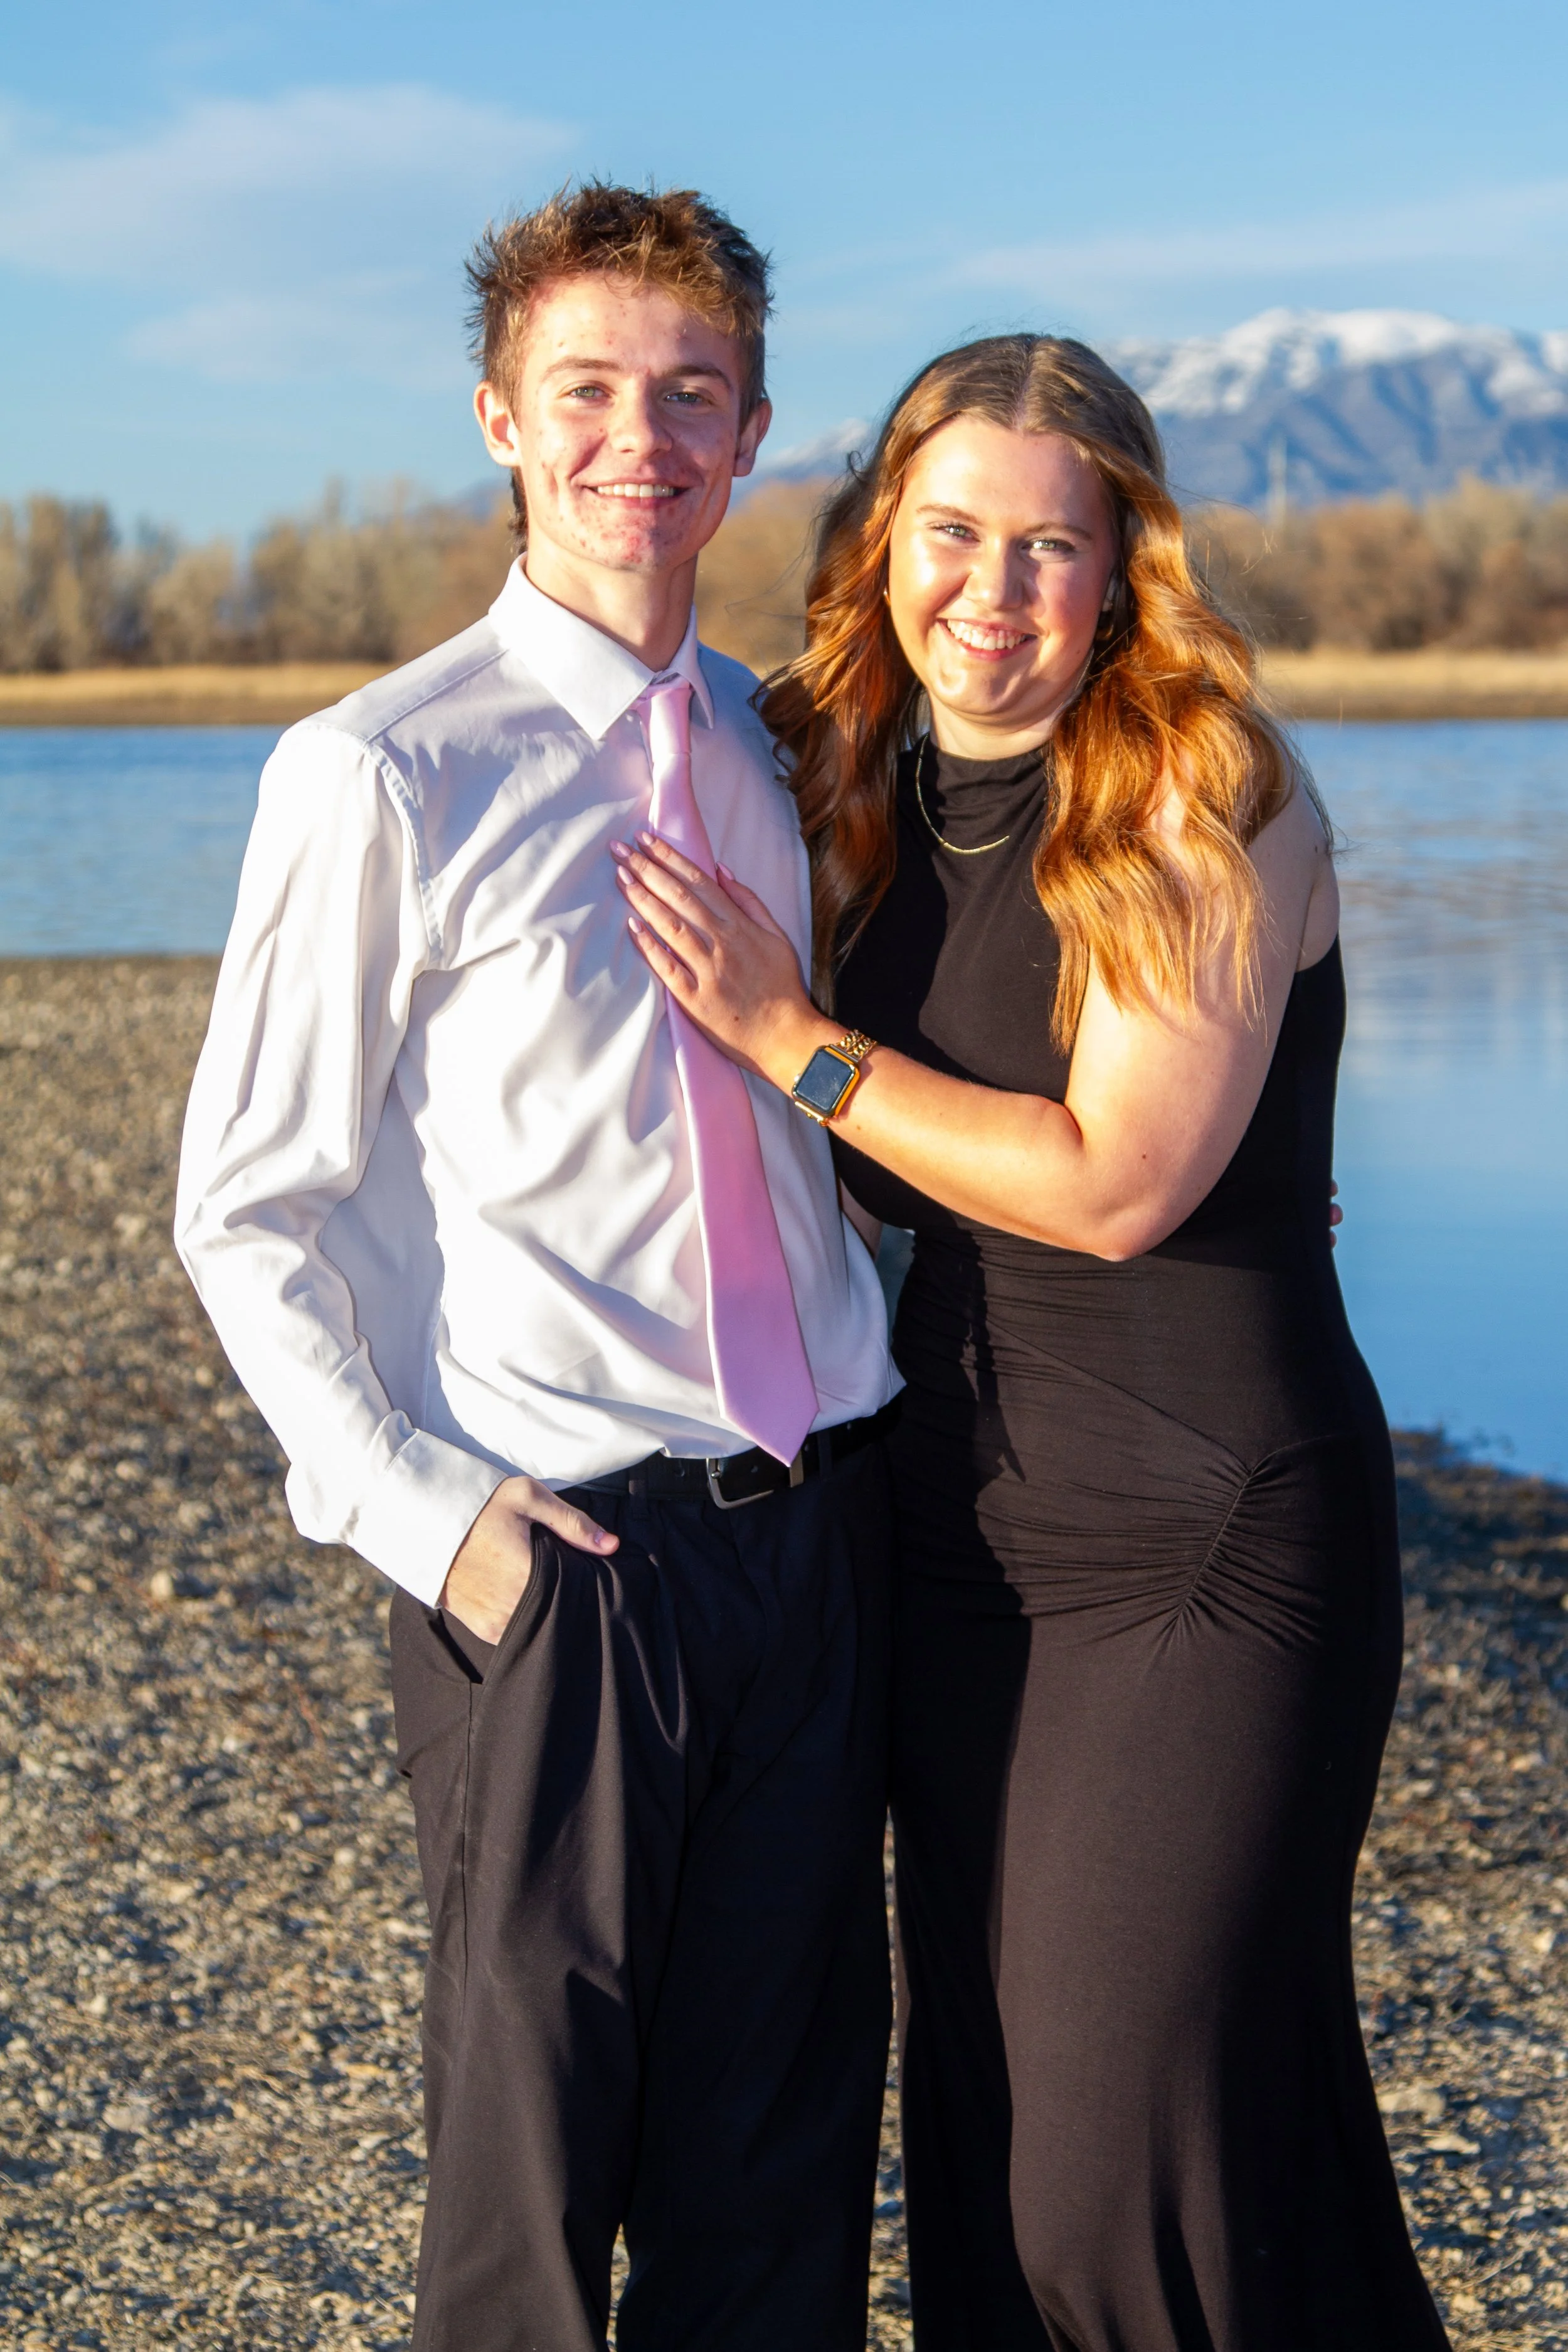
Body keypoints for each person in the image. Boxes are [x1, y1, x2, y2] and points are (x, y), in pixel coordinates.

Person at [615, 332, 1453, 2349]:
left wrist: (787, 1040)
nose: (988, 594)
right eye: (951, 534)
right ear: (881, 539)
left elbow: (1110, 1182)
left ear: (1122, 568)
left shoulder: (1199, 781)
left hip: (1203, 1538)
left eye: (1048, 549)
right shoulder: (842, 777)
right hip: (956, 1538)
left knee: (1110, 2166)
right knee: (1019, 2165)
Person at [174, 183, 901, 2352]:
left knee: (774, 2192)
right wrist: (426, 1519)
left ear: (751, 428)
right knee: (529, 2220)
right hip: (563, 1566)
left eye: (690, 393)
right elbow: (244, 1203)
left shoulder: (793, 757)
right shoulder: (382, 770)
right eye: (585, 387)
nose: (637, 437)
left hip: (810, 1544)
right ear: (499, 416)